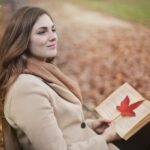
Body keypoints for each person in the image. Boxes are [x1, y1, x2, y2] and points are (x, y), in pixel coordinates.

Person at [0, 6, 121, 150]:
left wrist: (90, 125)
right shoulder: (26, 89)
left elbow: (57, 127)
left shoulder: (41, 74)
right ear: (22, 40)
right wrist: (104, 139)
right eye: (42, 32)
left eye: (53, 29)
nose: (53, 36)